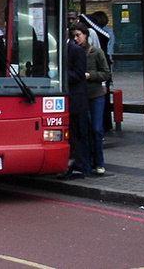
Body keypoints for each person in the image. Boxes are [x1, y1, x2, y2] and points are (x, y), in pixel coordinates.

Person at [70, 22, 111, 175]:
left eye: (78, 35)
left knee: (96, 129)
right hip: (82, 96)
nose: (76, 39)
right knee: (84, 130)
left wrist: (90, 76)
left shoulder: (97, 53)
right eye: (73, 36)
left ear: (86, 35)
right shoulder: (73, 51)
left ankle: (99, 162)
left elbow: (106, 73)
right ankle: (88, 161)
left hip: (96, 95)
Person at [59, 32, 90, 180]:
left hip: (76, 99)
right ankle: (71, 165)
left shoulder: (76, 51)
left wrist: (59, 75)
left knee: (77, 134)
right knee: (70, 135)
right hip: (65, 98)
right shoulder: (59, 49)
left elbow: (79, 74)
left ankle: (79, 167)